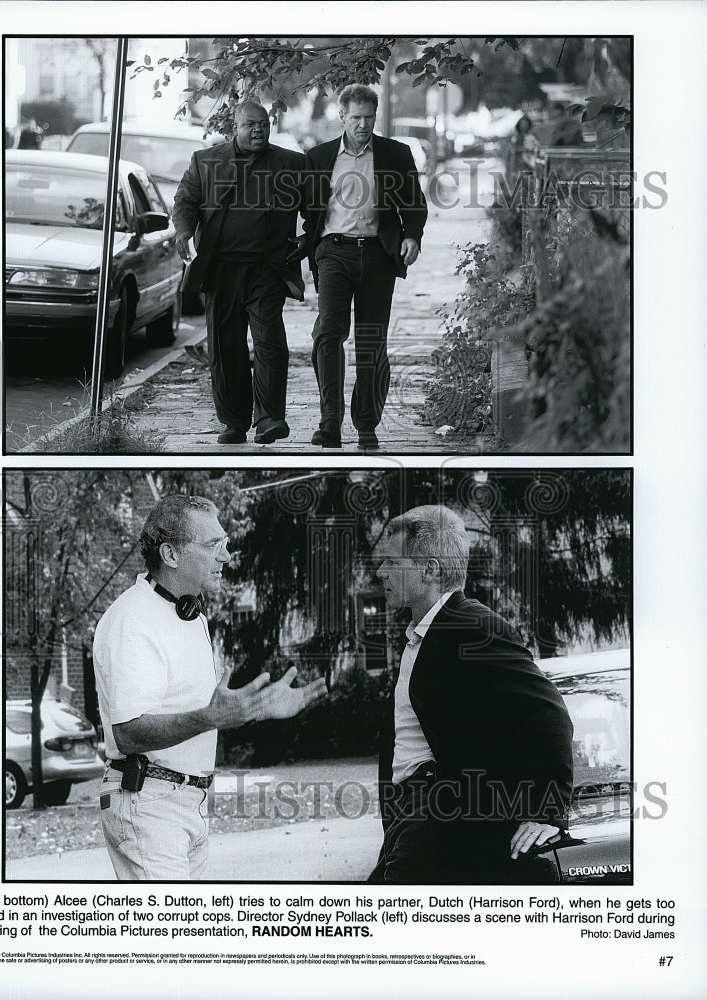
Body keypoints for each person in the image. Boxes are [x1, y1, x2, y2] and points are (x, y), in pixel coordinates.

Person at [93, 494, 327, 880]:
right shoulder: (133, 621)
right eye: (212, 545)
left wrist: (253, 709)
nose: (226, 556)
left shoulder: (190, 616)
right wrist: (210, 717)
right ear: (170, 553)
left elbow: (198, 715)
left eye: (225, 543)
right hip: (150, 804)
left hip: (187, 801)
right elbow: (128, 733)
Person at [368, 505, 574, 884]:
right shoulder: (425, 634)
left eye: (391, 562)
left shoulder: (473, 626)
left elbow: (550, 715)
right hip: (412, 820)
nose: (380, 572)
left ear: (429, 569)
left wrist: (546, 810)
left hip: (436, 822)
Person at [301, 84, 428, 451]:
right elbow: (307, 211)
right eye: (355, 117)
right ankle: (330, 423)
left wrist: (412, 236)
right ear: (342, 116)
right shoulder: (319, 157)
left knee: (372, 343)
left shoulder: (395, 154)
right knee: (328, 334)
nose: (362, 124)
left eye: (368, 118)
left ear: (376, 116)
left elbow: (413, 204)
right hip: (333, 253)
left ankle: (366, 425)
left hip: (377, 255)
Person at [172, 100, 305, 445]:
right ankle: (233, 422)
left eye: (263, 123)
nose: (259, 129)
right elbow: (185, 202)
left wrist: (307, 241)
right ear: (235, 127)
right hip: (221, 271)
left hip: (267, 270)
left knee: (270, 343)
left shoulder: (290, 163)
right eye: (251, 125)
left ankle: (270, 418)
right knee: (225, 347)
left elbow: (319, 207)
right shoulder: (207, 162)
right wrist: (185, 232)